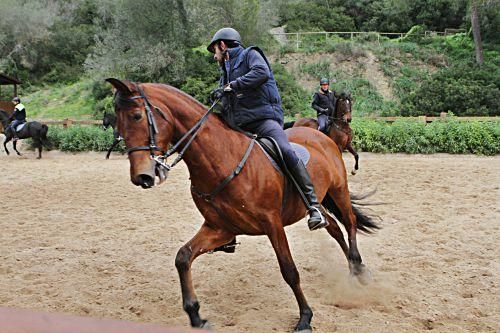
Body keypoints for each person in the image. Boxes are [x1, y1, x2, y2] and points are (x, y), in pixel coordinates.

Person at [208, 27, 327, 231]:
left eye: (215, 51)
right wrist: (218, 98)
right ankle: (225, 224)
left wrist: (232, 86)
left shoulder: (250, 55)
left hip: (263, 119)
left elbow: (261, 73)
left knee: (286, 150)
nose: (214, 56)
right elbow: (230, 98)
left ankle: (313, 206)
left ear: (222, 45)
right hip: (238, 125)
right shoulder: (224, 71)